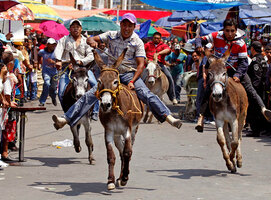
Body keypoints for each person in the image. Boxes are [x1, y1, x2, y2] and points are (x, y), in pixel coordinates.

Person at [52, 13, 182, 130]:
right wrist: (92, 42)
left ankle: (169, 117)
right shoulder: (111, 35)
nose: (126, 28)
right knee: (90, 94)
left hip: (128, 74)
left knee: (145, 93)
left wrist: (132, 81)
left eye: (129, 26)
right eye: (124, 25)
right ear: (120, 25)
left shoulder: (137, 42)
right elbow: (91, 39)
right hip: (110, 74)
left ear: (134, 27)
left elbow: (141, 64)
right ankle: (66, 118)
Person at [194, 18, 271, 132]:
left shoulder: (240, 43)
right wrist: (198, 45)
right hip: (220, 69)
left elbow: (243, 63)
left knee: (250, 89)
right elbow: (200, 39)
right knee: (206, 89)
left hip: (235, 70)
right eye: (227, 30)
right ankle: (201, 117)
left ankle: (263, 109)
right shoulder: (216, 35)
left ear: (236, 30)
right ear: (223, 30)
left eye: (232, 30)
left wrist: (237, 74)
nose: (230, 33)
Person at [54, 19, 99, 121]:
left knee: (96, 86)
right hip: (67, 68)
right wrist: (58, 61)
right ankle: (67, 114)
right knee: (61, 92)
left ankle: (95, 111)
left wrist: (80, 62)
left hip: (83, 70)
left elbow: (91, 56)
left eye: (77, 27)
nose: (75, 29)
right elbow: (58, 51)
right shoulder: (64, 39)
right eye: (73, 27)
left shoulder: (86, 41)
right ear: (70, 29)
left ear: (81, 29)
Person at [144, 32, 178, 105]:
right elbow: (141, 51)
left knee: (169, 77)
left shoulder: (163, 45)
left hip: (159, 64)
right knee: (140, 77)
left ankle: (172, 97)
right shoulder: (148, 45)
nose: (156, 39)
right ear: (152, 38)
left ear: (160, 39)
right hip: (148, 64)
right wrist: (146, 59)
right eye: (155, 38)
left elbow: (168, 50)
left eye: (158, 38)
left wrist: (158, 53)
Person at [38, 38, 57, 106]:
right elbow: (38, 55)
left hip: (55, 72)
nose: (52, 46)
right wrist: (38, 63)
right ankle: (42, 101)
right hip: (46, 71)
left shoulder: (57, 52)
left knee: (54, 88)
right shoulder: (42, 51)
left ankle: (53, 97)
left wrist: (53, 62)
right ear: (48, 45)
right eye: (51, 44)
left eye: (54, 44)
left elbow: (60, 61)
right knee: (46, 84)